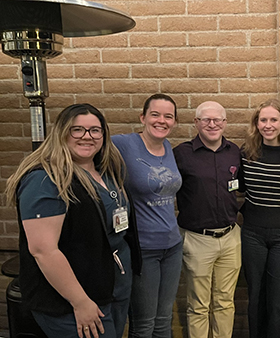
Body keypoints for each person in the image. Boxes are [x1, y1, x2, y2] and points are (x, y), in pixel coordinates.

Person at [5, 104, 141, 338]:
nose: (87, 137)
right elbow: (43, 251)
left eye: (95, 131)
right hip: (74, 302)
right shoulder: (45, 180)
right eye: (77, 130)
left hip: (110, 289)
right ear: (62, 132)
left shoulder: (104, 172)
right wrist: (80, 302)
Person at [112, 93, 183, 338]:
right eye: (155, 114)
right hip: (143, 250)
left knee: (164, 320)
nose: (161, 120)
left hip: (172, 246)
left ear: (174, 122)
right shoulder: (124, 144)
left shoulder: (168, 148)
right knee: (143, 324)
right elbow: (86, 149)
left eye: (168, 116)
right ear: (142, 117)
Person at [173, 101, 242, 338]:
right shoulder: (181, 154)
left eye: (217, 120)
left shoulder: (234, 152)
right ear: (196, 123)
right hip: (197, 239)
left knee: (225, 302)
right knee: (198, 305)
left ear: (225, 123)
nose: (212, 124)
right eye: (206, 120)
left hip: (231, 238)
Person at [239, 99, 280, 338]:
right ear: (256, 123)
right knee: (256, 294)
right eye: (263, 120)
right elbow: (241, 188)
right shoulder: (246, 153)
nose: (268, 125)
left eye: (273, 120)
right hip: (253, 233)